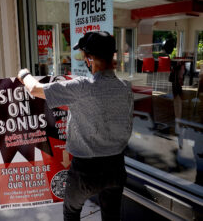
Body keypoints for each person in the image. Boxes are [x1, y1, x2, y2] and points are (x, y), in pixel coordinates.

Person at [18, 31, 133, 221]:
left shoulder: (81, 87)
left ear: (89, 58)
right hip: (116, 167)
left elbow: (35, 89)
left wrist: (24, 74)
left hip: (85, 170)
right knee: (112, 216)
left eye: (83, 56)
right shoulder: (125, 87)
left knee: (71, 212)